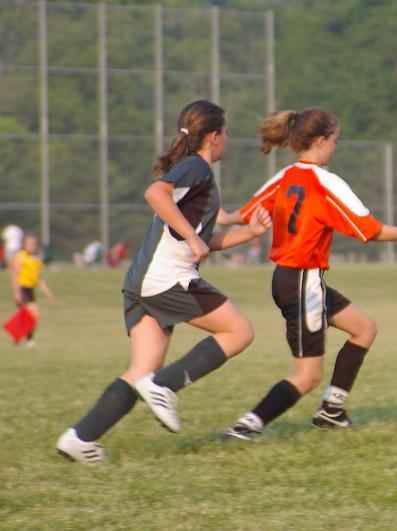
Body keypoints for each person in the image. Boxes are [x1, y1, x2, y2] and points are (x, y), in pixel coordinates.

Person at [56, 100, 272, 463]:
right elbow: (155, 194)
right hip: (167, 279)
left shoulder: (195, 172)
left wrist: (247, 232)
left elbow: (206, 236)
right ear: (214, 137)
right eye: (227, 132)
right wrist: (193, 238)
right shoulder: (195, 167)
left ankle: (81, 438)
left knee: (140, 371)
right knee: (239, 332)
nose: (227, 139)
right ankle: (164, 387)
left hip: (143, 281)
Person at [222, 107, 397, 440]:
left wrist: (220, 217)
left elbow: (246, 213)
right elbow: (370, 230)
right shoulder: (326, 183)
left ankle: (332, 410)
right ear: (321, 141)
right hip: (303, 282)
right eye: (335, 141)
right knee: (308, 375)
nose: (336, 148)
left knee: (364, 328)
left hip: (288, 278)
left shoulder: (285, 176)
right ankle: (247, 426)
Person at [9, 234, 54, 347]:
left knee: (28, 315)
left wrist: (47, 292)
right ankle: (29, 340)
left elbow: (39, 277)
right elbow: (15, 274)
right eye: (29, 243)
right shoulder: (20, 256)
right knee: (34, 313)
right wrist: (16, 291)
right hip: (22, 288)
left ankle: (17, 336)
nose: (32, 245)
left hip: (30, 290)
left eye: (33, 243)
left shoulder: (35, 259)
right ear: (24, 244)